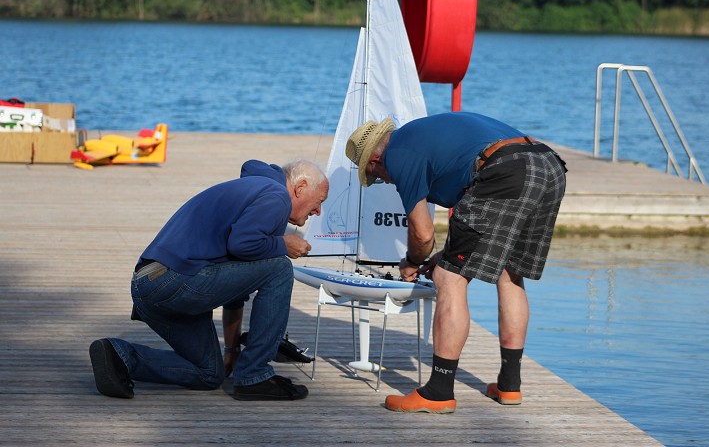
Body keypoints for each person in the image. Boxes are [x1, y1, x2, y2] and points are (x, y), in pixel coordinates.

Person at [345, 112, 567, 413]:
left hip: (505, 169)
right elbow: (474, 213)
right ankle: (509, 386)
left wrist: (412, 262)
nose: (384, 181)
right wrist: (445, 254)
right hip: (548, 165)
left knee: (448, 278)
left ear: (374, 160)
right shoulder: (422, 137)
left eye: (376, 177)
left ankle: (438, 392)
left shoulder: (399, 154)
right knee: (509, 273)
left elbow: (422, 235)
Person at [89, 159, 328, 401]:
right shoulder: (277, 196)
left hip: (150, 286)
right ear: (300, 188)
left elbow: (235, 294)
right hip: (174, 280)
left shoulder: (257, 191)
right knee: (280, 268)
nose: (318, 211)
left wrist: (232, 351)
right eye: (319, 202)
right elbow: (243, 244)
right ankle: (256, 374)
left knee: (209, 373)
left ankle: (119, 355)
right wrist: (282, 244)